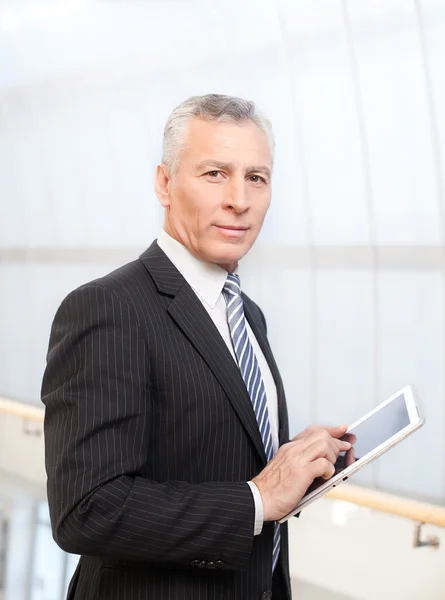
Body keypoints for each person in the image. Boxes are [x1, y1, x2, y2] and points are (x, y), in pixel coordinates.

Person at [41, 94, 353, 600]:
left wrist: (290, 459)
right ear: (164, 184)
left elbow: (211, 451)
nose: (240, 199)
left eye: (257, 177)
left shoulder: (246, 313)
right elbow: (87, 508)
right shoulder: (108, 308)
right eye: (214, 174)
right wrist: (257, 498)